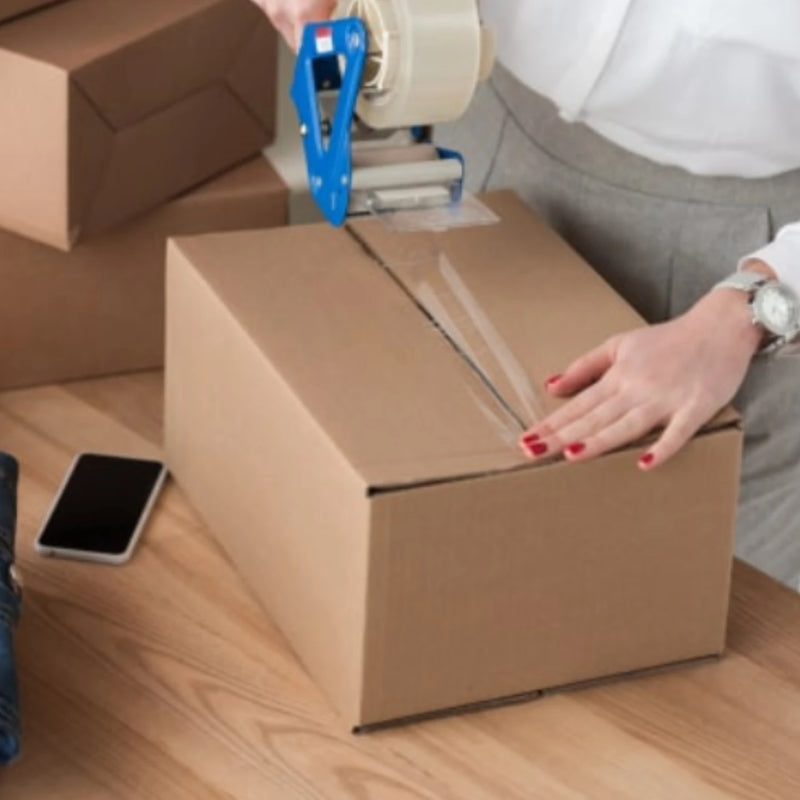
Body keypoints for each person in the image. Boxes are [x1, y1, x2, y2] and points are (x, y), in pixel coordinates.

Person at [251, 0, 800, 589]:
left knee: (712, 600)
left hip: (737, 257)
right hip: (482, 95)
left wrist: (749, 308)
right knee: (455, 531)